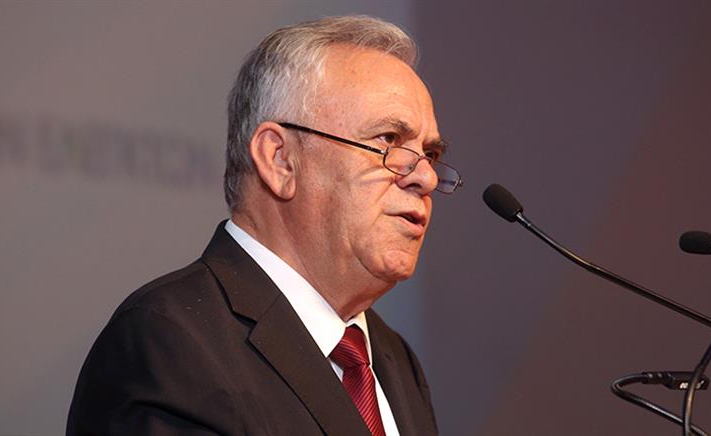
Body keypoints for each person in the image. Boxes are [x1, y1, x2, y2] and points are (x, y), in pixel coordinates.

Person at [67, 15, 462, 436]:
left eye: (431, 155)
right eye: (387, 140)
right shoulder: (169, 340)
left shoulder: (394, 359)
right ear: (280, 160)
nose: (426, 177)